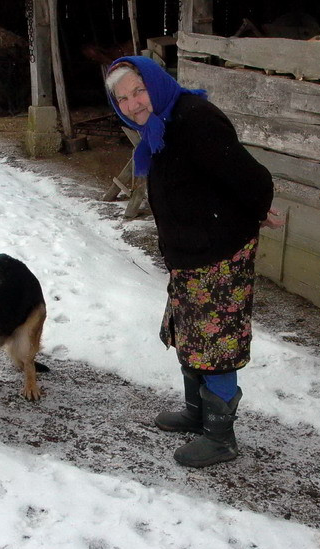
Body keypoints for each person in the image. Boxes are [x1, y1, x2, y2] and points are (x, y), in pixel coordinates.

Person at [105, 56, 284, 468]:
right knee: (190, 333)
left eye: (139, 91)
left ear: (156, 83)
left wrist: (259, 208)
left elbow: (251, 176)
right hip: (188, 254)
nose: (133, 104)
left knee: (216, 342)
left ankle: (220, 439)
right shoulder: (159, 125)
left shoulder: (195, 119)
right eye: (123, 98)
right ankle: (198, 412)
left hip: (218, 253)